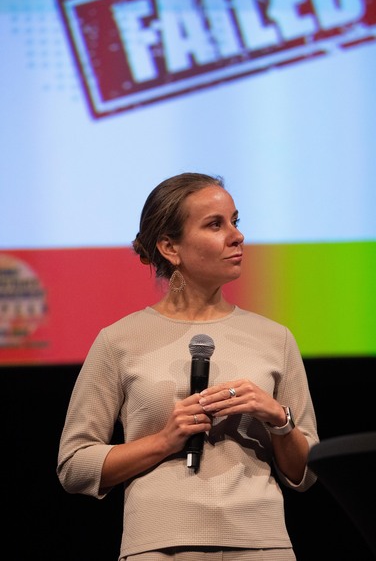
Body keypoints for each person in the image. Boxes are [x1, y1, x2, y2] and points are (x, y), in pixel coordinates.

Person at [57, 172, 319, 561]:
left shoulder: (275, 338)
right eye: (215, 225)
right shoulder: (119, 340)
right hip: (159, 544)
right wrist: (163, 441)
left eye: (235, 221)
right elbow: (74, 465)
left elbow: (306, 473)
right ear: (170, 247)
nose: (237, 236)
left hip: (262, 543)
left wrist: (278, 419)